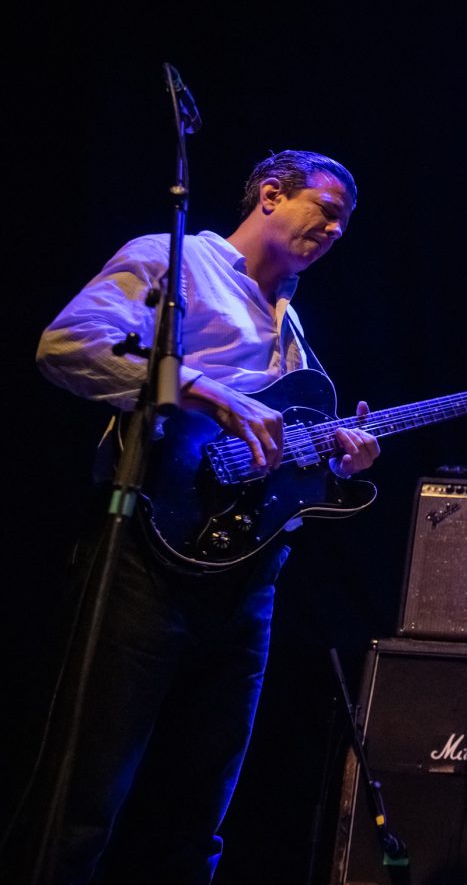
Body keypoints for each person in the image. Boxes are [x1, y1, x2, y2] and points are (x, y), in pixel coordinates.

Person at [28, 150, 380, 883]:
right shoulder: (176, 259)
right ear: (272, 195)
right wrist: (201, 389)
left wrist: (337, 459)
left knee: (196, 811)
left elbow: (276, 453)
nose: (337, 230)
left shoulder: (292, 325)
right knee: (84, 795)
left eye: (346, 223)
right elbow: (68, 344)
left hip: (245, 577)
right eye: (327, 209)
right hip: (146, 554)